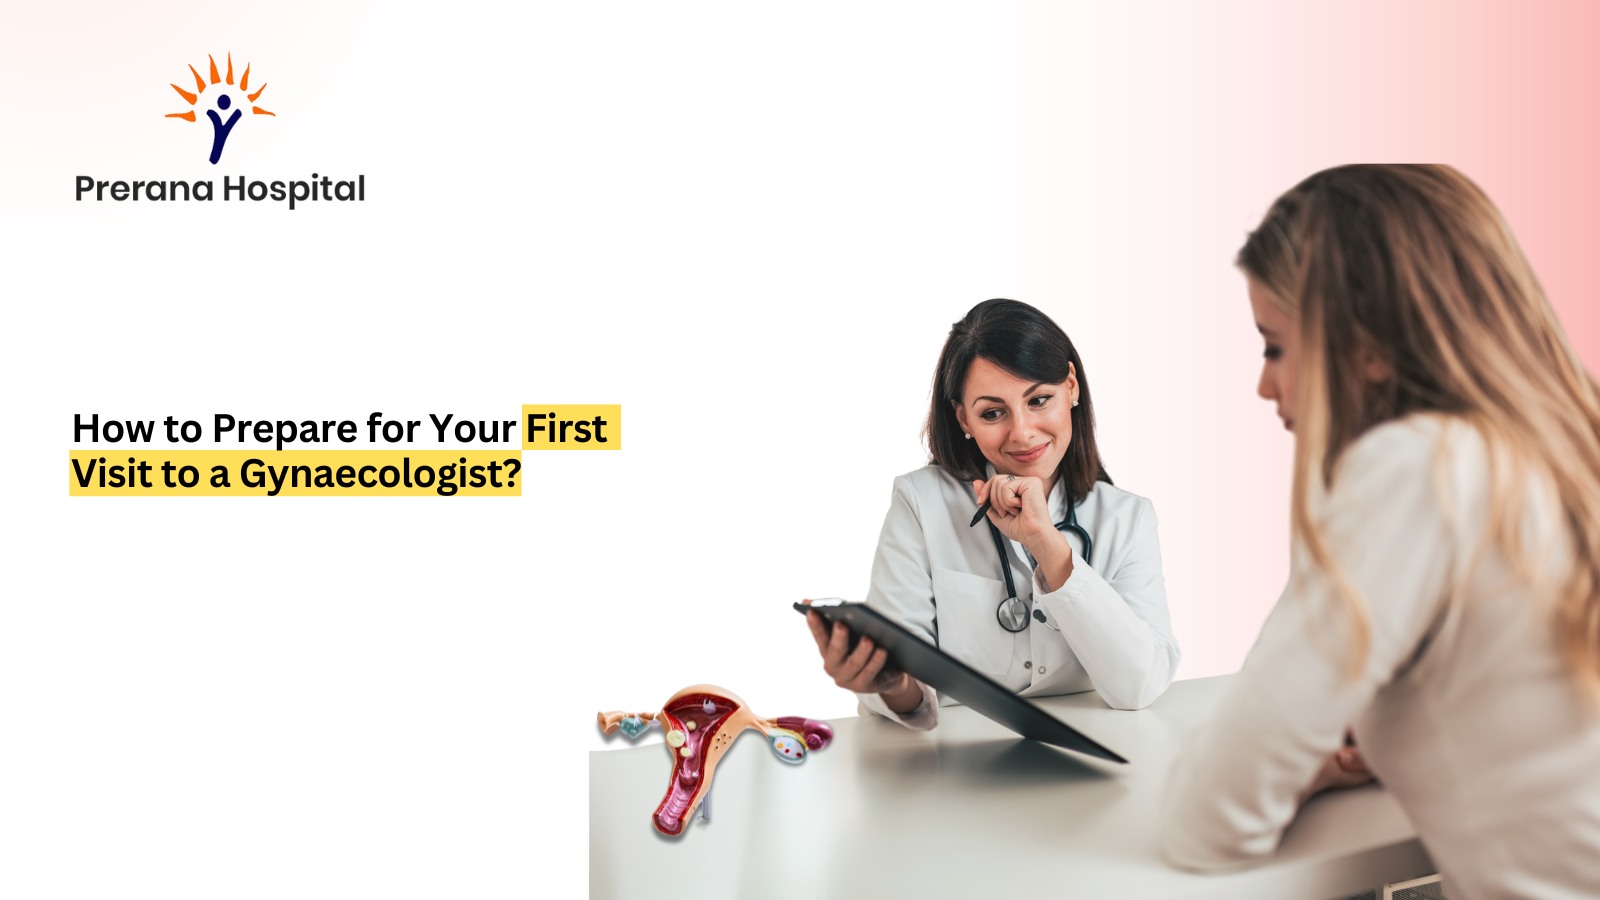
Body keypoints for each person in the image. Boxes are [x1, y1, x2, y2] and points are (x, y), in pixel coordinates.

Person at [1161, 165, 1600, 897]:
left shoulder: (1419, 466)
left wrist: (1299, 767)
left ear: (1365, 346)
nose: (1264, 385)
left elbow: (1211, 816)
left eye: (1274, 346)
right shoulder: (1557, 455)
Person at [805, 298, 1180, 728]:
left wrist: (1046, 543)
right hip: (953, 766)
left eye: (1039, 399)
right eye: (992, 413)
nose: (1022, 432)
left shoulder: (1128, 519)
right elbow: (907, 681)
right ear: (962, 417)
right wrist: (889, 683)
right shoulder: (920, 502)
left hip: (1095, 757)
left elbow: (1139, 685)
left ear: (1071, 387)